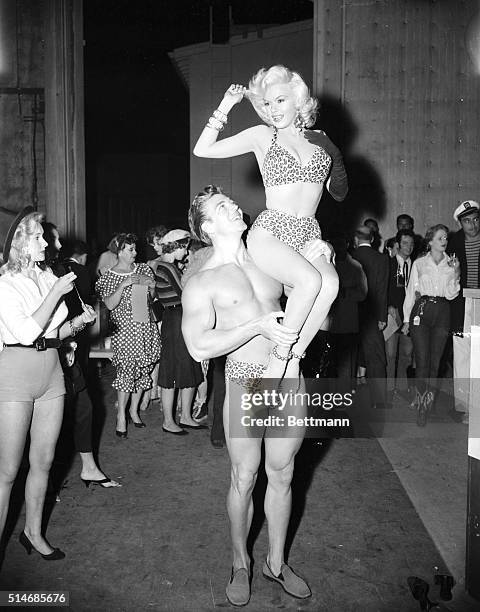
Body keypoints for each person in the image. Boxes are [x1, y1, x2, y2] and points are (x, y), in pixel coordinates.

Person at [182, 186, 325, 606]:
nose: (235, 206)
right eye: (223, 207)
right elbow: (198, 347)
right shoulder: (202, 281)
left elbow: (313, 287)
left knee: (282, 474)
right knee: (245, 478)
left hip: (287, 379)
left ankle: (276, 563)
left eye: (232, 201)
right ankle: (240, 561)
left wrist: (320, 252)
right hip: (245, 381)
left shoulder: (270, 257)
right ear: (207, 227)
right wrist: (255, 327)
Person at [193, 65, 348, 382]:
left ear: (298, 100)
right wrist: (226, 105)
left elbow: (341, 192)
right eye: (266, 103)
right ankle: (279, 359)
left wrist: (336, 154)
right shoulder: (263, 136)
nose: (272, 110)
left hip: (309, 232)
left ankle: (292, 357)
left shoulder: (319, 142)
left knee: (329, 284)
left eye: (279, 100)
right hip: (272, 230)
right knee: (309, 282)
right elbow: (202, 149)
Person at [0, 208, 95, 559]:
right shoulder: (4, 283)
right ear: (19, 243)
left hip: (51, 370)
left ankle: (33, 532)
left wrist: (79, 325)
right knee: (8, 470)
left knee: (43, 460)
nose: (45, 242)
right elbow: (25, 332)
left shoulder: (44, 276)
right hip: (14, 373)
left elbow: (52, 331)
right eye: (38, 236)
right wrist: (56, 292)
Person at [95, 233, 161, 437]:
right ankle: (121, 416)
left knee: (144, 370)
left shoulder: (143, 268)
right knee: (126, 373)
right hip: (125, 331)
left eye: (135, 248)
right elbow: (109, 304)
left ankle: (134, 410)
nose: (135, 252)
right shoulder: (109, 276)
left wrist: (152, 287)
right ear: (119, 252)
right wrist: (123, 285)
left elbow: (151, 298)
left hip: (145, 326)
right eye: (130, 249)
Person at [402, 225, 460, 425]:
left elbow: (452, 293)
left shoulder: (451, 264)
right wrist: (406, 320)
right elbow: (410, 293)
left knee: (436, 363)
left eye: (445, 237)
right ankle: (420, 403)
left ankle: (427, 404)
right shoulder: (419, 263)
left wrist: (456, 271)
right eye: (440, 238)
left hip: (443, 311)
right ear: (430, 242)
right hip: (422, 309)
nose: (444, 240)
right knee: (422, 360)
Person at [148, 229, 205, 435]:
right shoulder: (167, 267)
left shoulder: (167, 266)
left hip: (178, 316)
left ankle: (186, 417)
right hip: (176, 318)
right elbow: (185, 293)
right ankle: (168, 421)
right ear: (177, 246)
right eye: (185, 246)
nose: (187, 250)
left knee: (188, 366)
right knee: (172, 370)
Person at [447, 200, 480, 423]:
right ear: (460, 223)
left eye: (476, 219)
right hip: (461, 306)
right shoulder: (453, 244)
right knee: (462, 356)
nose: (473, 225)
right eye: (467, 221)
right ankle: (465, 407)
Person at [352, 225, 389, 407]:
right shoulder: (381, 259)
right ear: (373, 239)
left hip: (348, 315)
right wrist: (382, 317)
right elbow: (382, 290)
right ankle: (379, 401)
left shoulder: (348, 257)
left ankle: (343, 399)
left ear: (356, 239)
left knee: (348, 358)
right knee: (376, 359)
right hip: (371, 315)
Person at [386, 229, 415, 396]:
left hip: (410, 317)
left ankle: (402, 388)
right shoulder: (389, 264)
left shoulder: (417, 265)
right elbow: (381, 289)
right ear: (397, 244)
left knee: (407, 354)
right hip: (392, 315)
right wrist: (387, 306)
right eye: (405, 243)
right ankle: (390, 388)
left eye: (411, 244)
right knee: (390, 355)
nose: (408, 247)